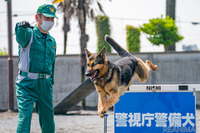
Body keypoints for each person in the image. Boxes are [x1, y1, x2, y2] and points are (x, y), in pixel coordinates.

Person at [15, 4, 57, 133]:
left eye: (52, 19)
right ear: (37, 17)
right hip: (26, 84)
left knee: (48, 120)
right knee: (25, 118)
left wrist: (51, 82)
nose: (49, 22)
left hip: (45, 85)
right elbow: (20, 35)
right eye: (46, 18)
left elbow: (52, 65)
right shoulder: (29, 35)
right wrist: (20, 26)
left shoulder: (52, 41)